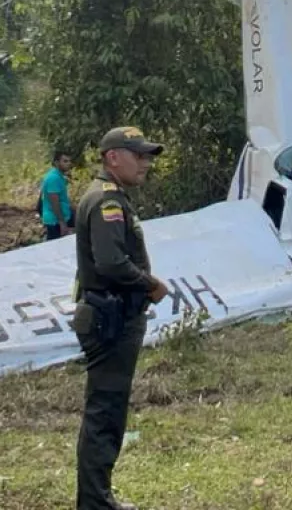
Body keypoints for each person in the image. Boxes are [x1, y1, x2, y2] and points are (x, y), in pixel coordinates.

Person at [72, 127, 171, 510]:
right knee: (105, 413)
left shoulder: (110, 198)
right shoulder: (106, 202)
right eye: (139, 155)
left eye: (147, 155)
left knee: (110, 410)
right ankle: (95, 502)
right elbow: (112, 262)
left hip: (112, 316)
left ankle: (98, 497)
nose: (146, 162)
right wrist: (150, 285)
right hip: (110, 320)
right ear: (113, 157)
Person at [40, 150, 75, 240]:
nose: (69, 164)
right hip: (55, 221)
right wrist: (62, 223)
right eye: (65, 161)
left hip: (59, 218)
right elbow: (54, 202)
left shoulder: (58, 176)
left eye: (69, 161)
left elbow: (62, 198)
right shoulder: (54, 178)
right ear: (56, 162)